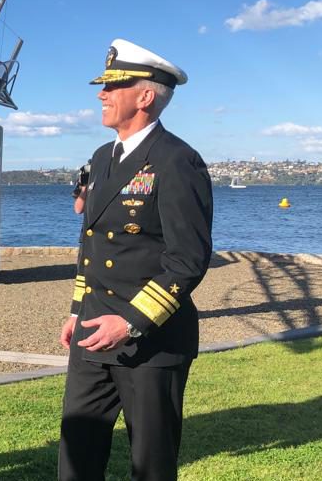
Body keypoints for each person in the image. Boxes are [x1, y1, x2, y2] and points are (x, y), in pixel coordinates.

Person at [58, 39, 213, 480]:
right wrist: (77, 310)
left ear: (145, 97)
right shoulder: (102, 157)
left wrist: (127, 322)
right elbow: (91, 247)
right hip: (91, 336)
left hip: (150, 342)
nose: (100, 94)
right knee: (76, 459)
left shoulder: (177, 161)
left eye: (113, 86)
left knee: (150, 466)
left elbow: (187, 261)